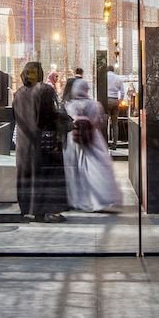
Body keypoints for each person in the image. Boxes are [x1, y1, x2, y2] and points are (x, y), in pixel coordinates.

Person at [13, 60, 70, 222]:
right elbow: (50, 116)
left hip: (24, 143)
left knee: (27, 176)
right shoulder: (44, 90)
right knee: (46, 177)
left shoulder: (18, 93)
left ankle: (29, 210)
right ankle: (47, 212)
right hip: (42, 142)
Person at [63, 80, 120, 212]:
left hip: (74, 141)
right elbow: (98, 122)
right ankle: (98, 200)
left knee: (75, 170)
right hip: (93, 140)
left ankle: (78, 199)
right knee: (95, 169)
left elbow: (68, 122)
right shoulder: (95, 105)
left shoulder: (70, 105)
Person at [105, 65, 126, 144]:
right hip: (115, 100)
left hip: (106, 100)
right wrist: (120, 101)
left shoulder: (105, 77)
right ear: (113, 70)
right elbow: (122, 92)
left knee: (105, 122)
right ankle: (114, 143)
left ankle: (105, 142)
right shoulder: (118, 78)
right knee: (115, 123)